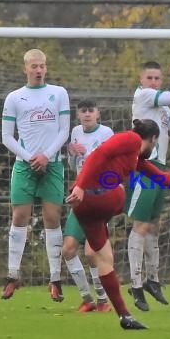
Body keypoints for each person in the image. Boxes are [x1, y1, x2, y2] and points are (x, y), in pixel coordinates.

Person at [66, 119, 170, 330]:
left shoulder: (133, 158)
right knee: (120, 191)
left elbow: (164, 178)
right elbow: (98, 155)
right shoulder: (130, 138)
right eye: (156, 143)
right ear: (154, 138)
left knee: (104, 259)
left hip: (84, 207)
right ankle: (123, 308)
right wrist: (81, 186)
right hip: (96, 196)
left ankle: (124, 316)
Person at [1, 49, 70, 301]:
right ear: (25, 69)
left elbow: (64, 131)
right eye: (34, 66)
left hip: (51, 165)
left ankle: (55, 279)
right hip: (24, 165)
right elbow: (6, 136)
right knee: (19, 217)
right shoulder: (14, 98)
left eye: (42, 66)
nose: (39, 70)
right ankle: (12, 275)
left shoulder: (59, 93)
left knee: (52, 218)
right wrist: (30, 156)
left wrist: (46, 155)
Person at [125, 61, 170, 311]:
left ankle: (153, 279)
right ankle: (136, 284)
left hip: (159, 166)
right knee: (140, 225)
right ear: (141, 80)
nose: (153, 82)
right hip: (143, 165)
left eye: (157, 78)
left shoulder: (158, 104)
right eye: (149, 77)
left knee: (153, 225)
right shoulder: (145, 95)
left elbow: (168, 125)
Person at [63, 99, 114, 312]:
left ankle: (103, 300)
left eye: (90, 111)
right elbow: (73, 165)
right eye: (83, 111)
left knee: (92, 253)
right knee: (67, 250)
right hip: (79, 197)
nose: (87, 114)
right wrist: (72, 153)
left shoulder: (107, 134)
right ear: (78, 115)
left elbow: (111, 163)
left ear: (98, 114)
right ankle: (87, 298)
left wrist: (90, 156)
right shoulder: (75, 132)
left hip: (99, 197)